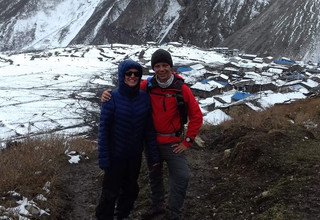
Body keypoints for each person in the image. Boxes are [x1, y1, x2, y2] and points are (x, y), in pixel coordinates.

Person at [101, 49, 203, 220]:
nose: (161, 69)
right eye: (157, 66)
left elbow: (196, 116)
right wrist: (106, 94)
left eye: (165, 65)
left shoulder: (181, 89)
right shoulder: (147, 86)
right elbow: (127, 88)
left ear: (171, 67)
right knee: (155, 176)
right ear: (153, 68)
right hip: (152, 143)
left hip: (173, 142)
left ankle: (173, 212)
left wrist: (187, 142)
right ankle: (157, 208)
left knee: (182, 176)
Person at [96, 59, 160, 220]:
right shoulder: (111, 98)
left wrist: (153, 157)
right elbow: (103, 131)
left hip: (134, 157)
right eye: (128, 73)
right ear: (121, 75)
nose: (132, 76)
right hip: (114, 157)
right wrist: (103, 159)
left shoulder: (144, 99)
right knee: (110, 193)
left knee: (130, 190)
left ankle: (122, 216)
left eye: (136, 73)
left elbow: (149, 131)